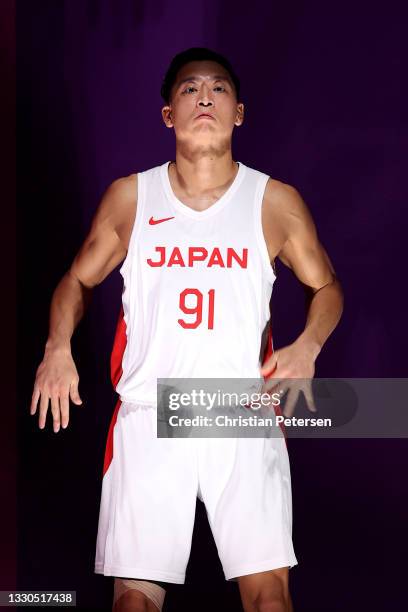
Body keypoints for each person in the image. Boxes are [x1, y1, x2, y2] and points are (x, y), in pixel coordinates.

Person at [30, 47, 344, 612]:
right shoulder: (132, 197)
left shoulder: (274, 202)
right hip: (152, 414)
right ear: (168, 114)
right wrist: (57, 347)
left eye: (219, 88)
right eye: (189, 89)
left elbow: (327, 288)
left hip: (239, 413)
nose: (204, 97)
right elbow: (75, 281)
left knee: (270, 599)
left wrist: (310, 345)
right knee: (133, 604)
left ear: (240, 112)